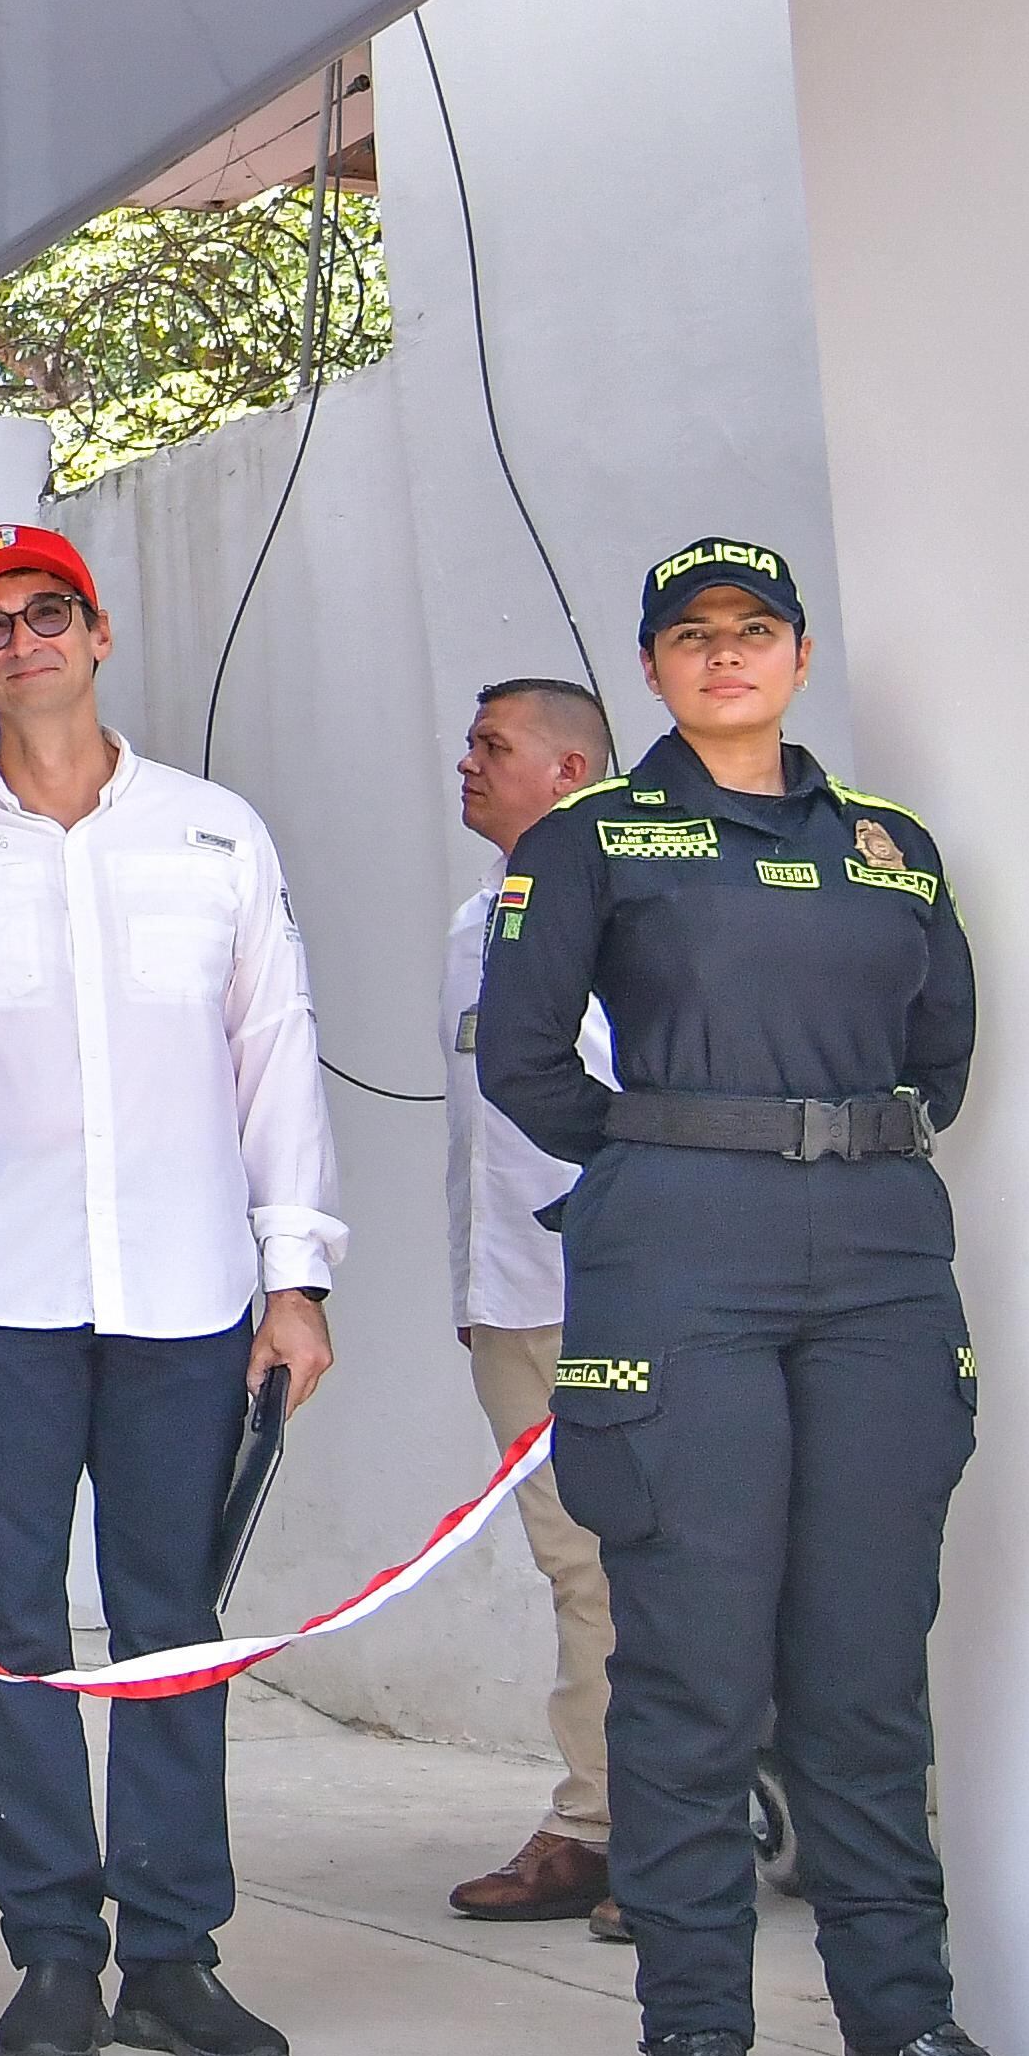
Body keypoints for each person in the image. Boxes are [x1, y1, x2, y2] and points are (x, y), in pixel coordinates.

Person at [483, 538, 1029, 2056]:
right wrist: (680, 1157)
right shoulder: (594, 837)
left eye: (753, 630)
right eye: (691, 635)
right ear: (655, 668)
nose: (724, 656)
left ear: (800, 656)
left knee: (867, 1667)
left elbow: (941, 1042)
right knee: (689, 1663)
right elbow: (529, 1061)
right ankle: (697, 2049)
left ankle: (900, 2033)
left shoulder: (889, 847)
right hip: (685, 1260)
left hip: (878, 1256)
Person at [0, 522, 343, 2056]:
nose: (20, 640)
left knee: (166, 1626)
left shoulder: (211, 834)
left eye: (43, 611)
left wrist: (294, 1274)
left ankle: (174, 1953)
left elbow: (274, 1051)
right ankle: (52, 1947)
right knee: (3, 1628)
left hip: (186, 1294)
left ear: (95, 628)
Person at [440, 679, 626, 1934]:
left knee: (609, 1569)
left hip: (608, 1291)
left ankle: (610, 1833)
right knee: (576, 1565)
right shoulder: (475, 918)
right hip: (507, 1297)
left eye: (492, 746)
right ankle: (629, 1820)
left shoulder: (638, 904)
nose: (466, 763)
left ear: (568, 770)